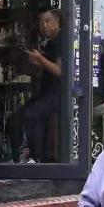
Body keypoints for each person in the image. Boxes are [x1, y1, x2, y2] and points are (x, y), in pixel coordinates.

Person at [7, 9, 63, 163]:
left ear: (57, 21)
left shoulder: (61, 40)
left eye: (47, 21)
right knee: (15, 119)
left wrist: (39, 58)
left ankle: (32, 156)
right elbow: (45, 69)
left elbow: (60, 70)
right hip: (45, 94)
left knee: (30, 116)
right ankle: (22, 157)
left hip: (56, 96)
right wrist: (36, 62)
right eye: (41, 22)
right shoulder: (50, 43)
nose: (44, 25)